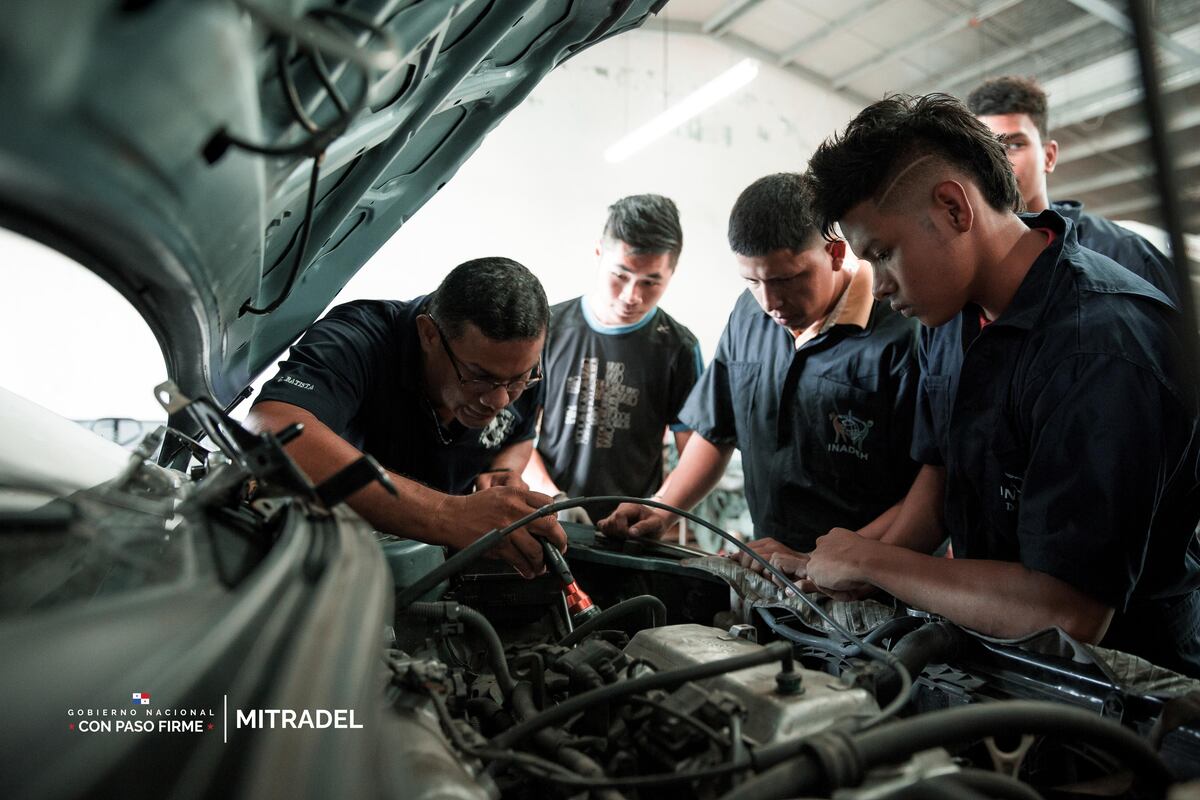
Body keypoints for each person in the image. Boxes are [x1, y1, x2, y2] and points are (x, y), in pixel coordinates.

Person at [791, 93, 1200, 675]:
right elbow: (938, 488)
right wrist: (815, 567)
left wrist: (871, 564)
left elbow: (1070, 613)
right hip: (999, 651)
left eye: (884, 253)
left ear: (956, 208)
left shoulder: (1103, 347)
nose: (877, 284)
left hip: (1124, 689)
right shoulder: (948, 314)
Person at [600, 173, 921, 554]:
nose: (771, 302)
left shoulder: (905, 331)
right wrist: (663, 508)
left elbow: (931, 486)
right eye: (753, 281)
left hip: (877, 581)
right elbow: (715, 430)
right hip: (773, 568)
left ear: (835, 253)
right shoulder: (749, 315)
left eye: (786, 279)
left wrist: (822, 561)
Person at [246, 257, 567, 578]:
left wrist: (502, 470)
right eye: (478, 376)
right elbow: (272, 427)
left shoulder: (516, 370)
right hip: (328, 564)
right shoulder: (359, 340)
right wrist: (447, 513)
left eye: (518, 380)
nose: (499, 399)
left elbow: (521, 435)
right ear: (429, 334)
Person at [524, 194, 702, 523]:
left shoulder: (678, 348)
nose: (631, 296)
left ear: (672, 274)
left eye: (651, 282)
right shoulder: (548, 329)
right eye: (620, 275)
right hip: (546, 517)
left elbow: (695, 456)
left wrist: (656, 510)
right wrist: (552, 498)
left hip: (629, 531)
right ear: (598, 254)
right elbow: (514, 437)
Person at [967, 75, 1178, 301]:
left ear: (1049, 156)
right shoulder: (963, 273)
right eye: (987, 148)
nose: (1000, 161)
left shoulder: (1125, 253)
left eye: (1016, 145)